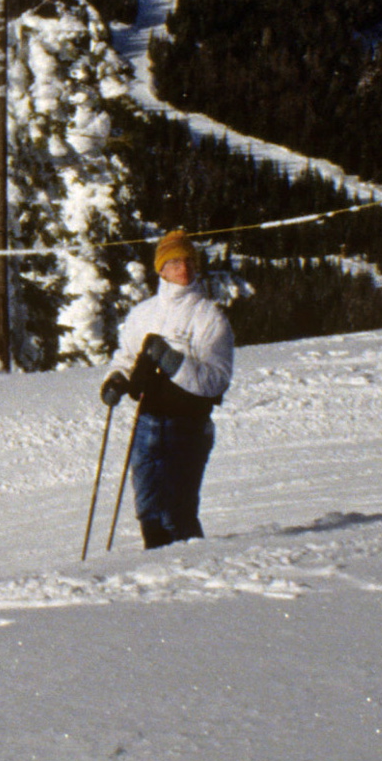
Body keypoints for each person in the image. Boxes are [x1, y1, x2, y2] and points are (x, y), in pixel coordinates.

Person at [99, 230, 236, 547]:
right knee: (149, 514)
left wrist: (173, 362)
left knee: (177, 514)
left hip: (188, 426)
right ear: (160, 268)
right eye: (174, 262)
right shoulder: (143, 313)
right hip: (147, 423)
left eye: (188, 261)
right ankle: (161, 584)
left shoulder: (209, 318)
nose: (183, 269)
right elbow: (127, 356)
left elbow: (217, 379)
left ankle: (191, 579)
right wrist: (117, 379)